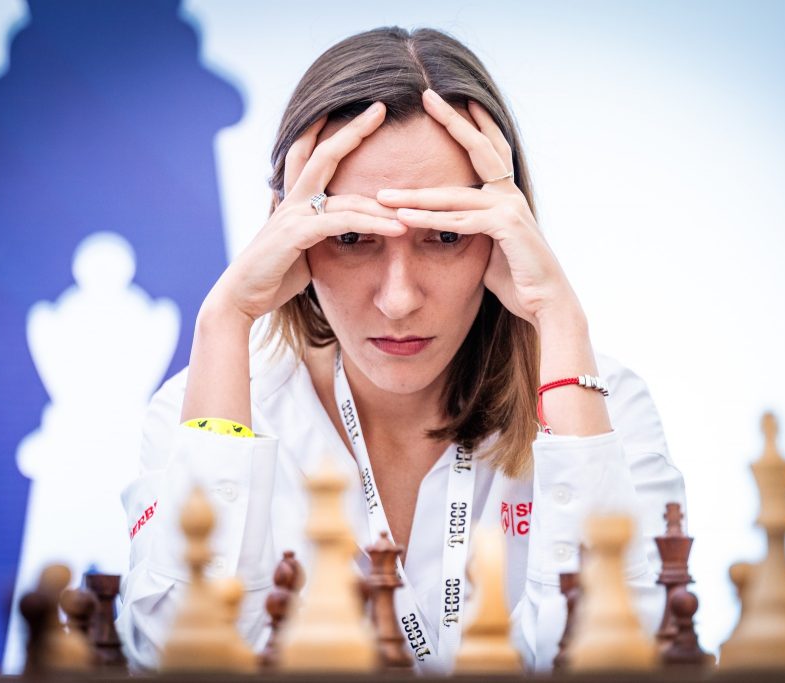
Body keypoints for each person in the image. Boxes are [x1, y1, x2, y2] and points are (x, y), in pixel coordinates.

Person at [117, 26, 686, 673]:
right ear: (290, 234)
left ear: (506, 230)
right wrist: (223, 320)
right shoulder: (198, 409)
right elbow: (170, 657)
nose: (398, 299)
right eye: (352, 236)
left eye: (444, 235)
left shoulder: (607, 404)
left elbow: (628, 656)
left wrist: (559, 317)